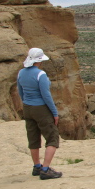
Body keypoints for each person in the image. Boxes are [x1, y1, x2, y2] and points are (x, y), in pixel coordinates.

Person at [17, 48, 62, 180]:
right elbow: (46, 96)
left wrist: (26, 102)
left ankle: (37, 166)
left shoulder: (21, 73)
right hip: (40, 108)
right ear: (40, 61)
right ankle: (46, 169)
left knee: (33, 138)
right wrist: (54, 113)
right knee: (52, 138)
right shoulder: (40, 74)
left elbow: (20, 92)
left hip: (27, 107)